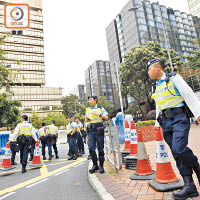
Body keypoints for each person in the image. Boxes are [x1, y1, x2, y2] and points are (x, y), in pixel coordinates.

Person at [147, 58, 200, 199]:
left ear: (158, 67)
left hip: (179, 118)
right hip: (165, 122)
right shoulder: (155, 86)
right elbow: (160, 104)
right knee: (177, 154)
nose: (148, 72)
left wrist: (198, 113)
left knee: (179, 148)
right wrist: (157, 124)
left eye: (149, 69)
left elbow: (188, 93)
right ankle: (190, 186)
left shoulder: (173, 78)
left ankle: (197, 167)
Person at [86, 96, 109, 174]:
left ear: (95, 100)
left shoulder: (100, 108)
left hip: (99, 129)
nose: (89, 101)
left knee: (100, 149)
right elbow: (87, 119)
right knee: (91, 148)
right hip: (91, 130)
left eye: (91, 99)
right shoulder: (88, 109)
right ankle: (95, 165)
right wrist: (87, 120)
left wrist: (99, 115)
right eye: (89, 100)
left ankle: (101, 166)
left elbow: (106, 117)